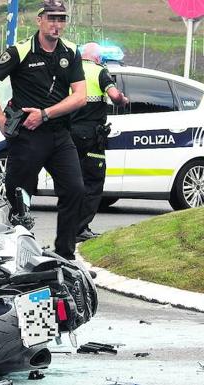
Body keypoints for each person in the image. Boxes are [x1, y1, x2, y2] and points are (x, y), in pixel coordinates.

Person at [0, 0, 87, 260]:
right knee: (20, 196)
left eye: (61, 19)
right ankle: (18, 255)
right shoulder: (21, 51)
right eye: (51, 18)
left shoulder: (70, 51)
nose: (57, 24)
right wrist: (1, 120)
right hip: (27, 136)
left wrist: (46, 114)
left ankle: (65, 255)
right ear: (39, 20)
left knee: (75, 190)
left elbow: (80, 96)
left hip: (59, 134)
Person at [72, 42, 128, 242]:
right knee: (93, 182)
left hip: (68, 137)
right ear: (97, 58)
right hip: (91, 139)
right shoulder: (99, 71)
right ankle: (80, 229)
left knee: (73, 182)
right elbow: (114, 95)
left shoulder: (73, 70)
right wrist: (122, 99)